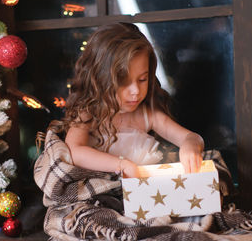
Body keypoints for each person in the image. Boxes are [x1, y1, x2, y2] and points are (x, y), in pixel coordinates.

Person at [50, 23, 204, 178]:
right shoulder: (89, 114)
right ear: (100, 79)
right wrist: (120, 164)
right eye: (123, 81)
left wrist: (190, 146)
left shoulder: (147, 116)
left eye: (142, 79)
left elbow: (192, 137)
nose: (136, 91)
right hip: (100, 192)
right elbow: (74, 151)